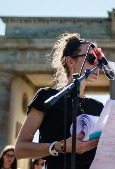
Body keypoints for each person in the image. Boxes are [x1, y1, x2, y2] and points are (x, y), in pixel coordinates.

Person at [15, 32, 107, 169]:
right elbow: (20, 150)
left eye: (99, 59)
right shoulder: (47, 97)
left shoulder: (98, 106)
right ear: (70, 61)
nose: (97, 64)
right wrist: (60, 147)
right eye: (91, 58)